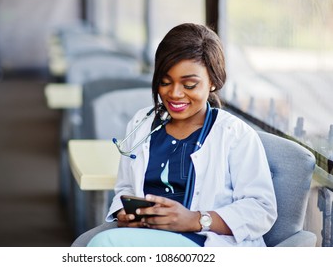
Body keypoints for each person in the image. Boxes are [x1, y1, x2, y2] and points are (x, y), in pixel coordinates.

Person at [72, 23, 277, 247]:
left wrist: (196, 220)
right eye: (165, 82)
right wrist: (124, 212)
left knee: (103, 245)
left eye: (189, 84)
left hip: (205, 242)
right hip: (146, 236)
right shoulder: (142, 124)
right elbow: (126, 188)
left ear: (213, 82)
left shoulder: (236, 135)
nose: (174, 94)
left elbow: (261, 209)